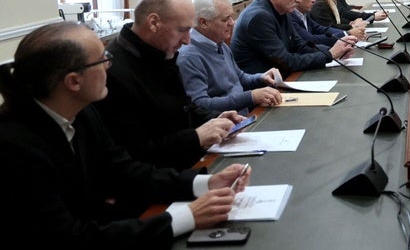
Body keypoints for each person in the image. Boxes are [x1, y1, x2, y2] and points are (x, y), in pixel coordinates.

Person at [0, 21, 251, 250]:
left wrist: (206, 184)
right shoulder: (15, 145)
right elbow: (68, 237)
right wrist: (187, 217)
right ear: (73, 82)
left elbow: (125, 171)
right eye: (102, 59)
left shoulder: (82, 112)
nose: (110, 65)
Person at [94, 0, 245, 171]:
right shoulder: (115, 72)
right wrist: (196, 137)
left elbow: (184, 107)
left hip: (188, 167)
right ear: (154, 23)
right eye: (182, 30)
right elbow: (137, 152)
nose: (188, 41)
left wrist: (214, 118)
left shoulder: (161, 52)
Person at [230, 0, 355, 77]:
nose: (299, 0)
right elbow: (286, 61)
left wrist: (337, 50)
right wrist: (329, 54)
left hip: (282, 79)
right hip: (264, 90)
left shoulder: (281, 10)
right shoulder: (259, 17)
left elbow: (300, 46)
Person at [177, 0, 282, 116]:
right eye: (225, 19)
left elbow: (240, 78)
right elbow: (201, 105)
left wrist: (261, 77)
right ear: (203, 22)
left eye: (231, 17)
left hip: (243, 119)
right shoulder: (189, 56)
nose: (232, 23)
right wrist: (251, 97)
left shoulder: (219, 42)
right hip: (224, 128)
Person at [290, 0, 358, 46]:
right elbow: (311, 40)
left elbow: (321, 29)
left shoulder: (304, 14)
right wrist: (347, 33)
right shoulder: (291, 17)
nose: (314, 0)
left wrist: (348, 34)